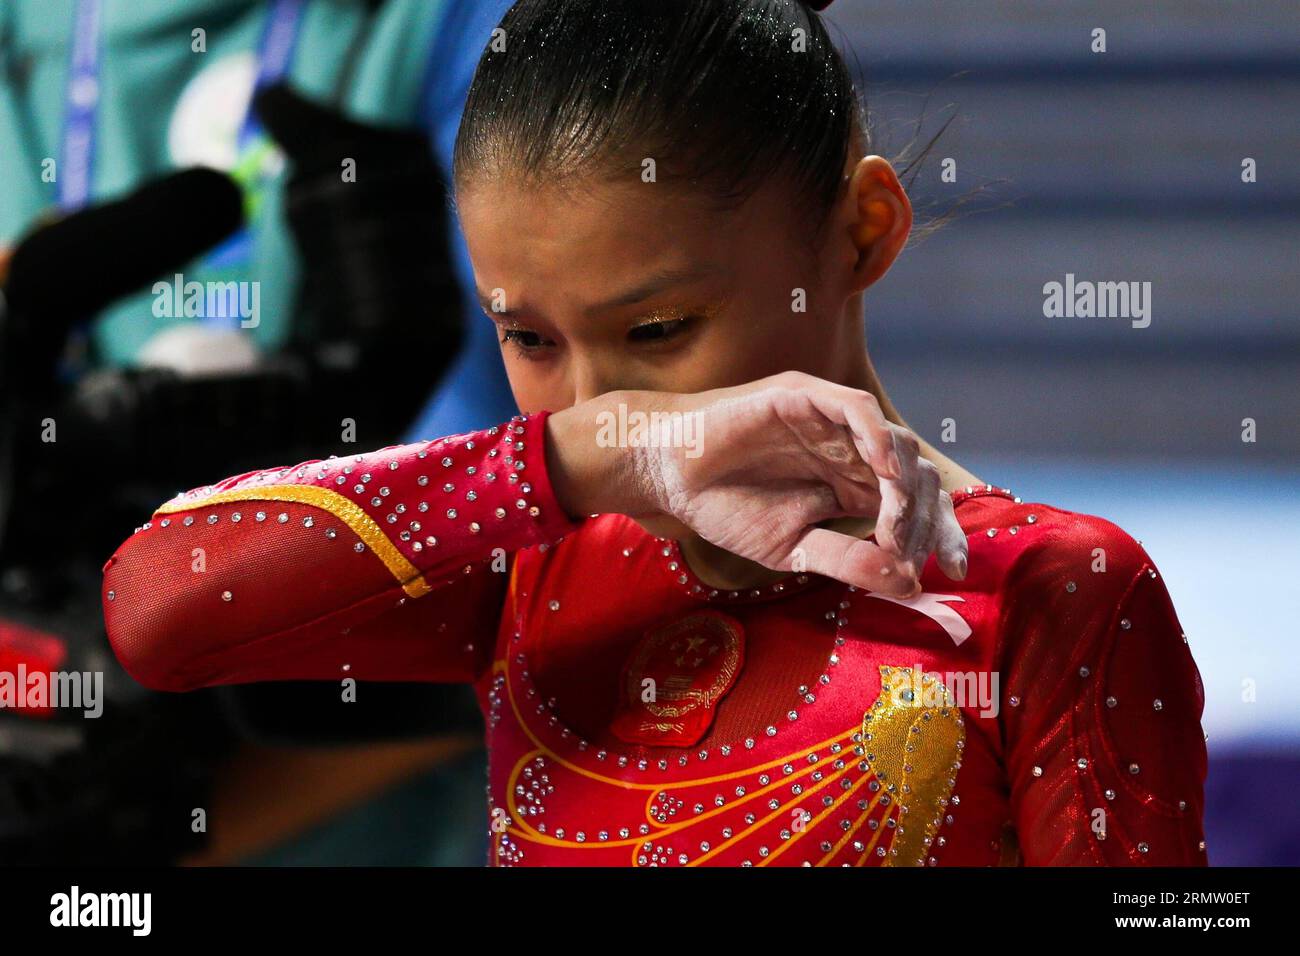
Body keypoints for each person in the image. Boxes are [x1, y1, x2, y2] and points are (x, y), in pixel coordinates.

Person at [101, 0, 1208, 866]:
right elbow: (158, 611)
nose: (593, 398)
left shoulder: (1049, 590)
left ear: (863, 231)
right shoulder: (528, 571)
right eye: (529, 338)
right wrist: (588, 460)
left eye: (660, 328)